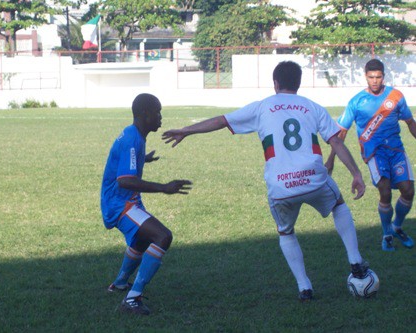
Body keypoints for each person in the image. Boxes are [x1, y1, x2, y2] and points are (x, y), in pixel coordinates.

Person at [162, 61, 373, 301]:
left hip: (280, 187)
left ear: (275, 84)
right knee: (338, 205)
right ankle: (355, 260)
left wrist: (186, 131)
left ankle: (304, 287)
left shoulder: (262, 107)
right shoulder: (312, 107)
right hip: (314, 179)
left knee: (286, 232)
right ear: (298, 83)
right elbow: (336, 142)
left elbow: (221, 121)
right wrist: (356, 174)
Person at [101, 93, 192, 315]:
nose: (160, 117)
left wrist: (144, 159)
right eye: (157, 112)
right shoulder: (133, 140)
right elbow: (125, 181)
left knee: (142, 238)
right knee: (162, 236)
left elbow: (124, 163)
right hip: (119, 204)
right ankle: (132, 299)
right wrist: (164, 187)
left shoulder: (134, 135)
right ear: (145, 114)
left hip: (123, 200)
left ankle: (121, 283)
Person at [326, 59, 415, 252]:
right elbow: (341, 133)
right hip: (374, 154)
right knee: (384, 190)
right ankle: (387, 233)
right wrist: (331, 158)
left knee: (408, 190)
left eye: (378, 77)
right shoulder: (356, 102)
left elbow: (410, 122)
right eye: (371, 77)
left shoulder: (396, 96)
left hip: (396, 150)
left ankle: (397, 226)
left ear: (384, 76)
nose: (375, 81)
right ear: (366, 77)